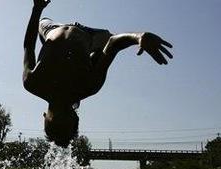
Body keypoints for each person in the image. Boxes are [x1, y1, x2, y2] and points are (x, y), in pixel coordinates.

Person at [23, 0, 173, 147]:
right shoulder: (88, 86)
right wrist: (138, 37)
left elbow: (29, 46)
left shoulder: (33, 83)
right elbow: (114, 43)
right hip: (92, 37)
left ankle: (75, 52)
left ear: (44, 117)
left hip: (50, 30)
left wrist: (37, 9)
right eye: (63, 126)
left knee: (41, 22)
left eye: (55, 128)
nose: (59, 126)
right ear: (74, 116)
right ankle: (90, 56)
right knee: (107, 41)